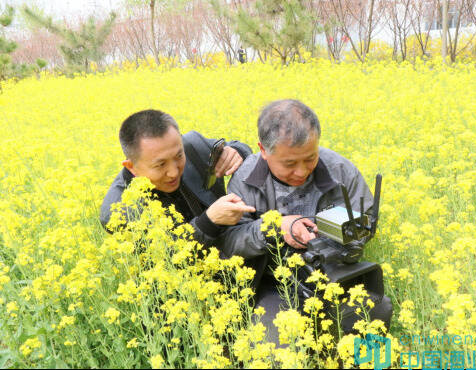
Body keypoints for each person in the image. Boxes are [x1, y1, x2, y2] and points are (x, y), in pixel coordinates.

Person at [221, 99, 392, 342]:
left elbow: (365, 225)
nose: (301, 171)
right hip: (276, 285)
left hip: (339, 275)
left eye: (310, 158)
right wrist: (274, 228)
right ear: (263, 150)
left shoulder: (341, 170)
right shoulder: (245, 179)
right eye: (289, 163)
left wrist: (338, 235)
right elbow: (229, 242)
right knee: (274, 346)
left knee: (376, 313)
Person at [100, 109, 255, 246]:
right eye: (160, 165)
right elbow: (165, 259)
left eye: (179, 156)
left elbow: (240, 148)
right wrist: (208, 222)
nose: (174, 172)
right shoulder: (119, 212)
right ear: (131, 166)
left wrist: (236, 152)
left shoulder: (193, 145)